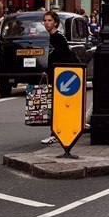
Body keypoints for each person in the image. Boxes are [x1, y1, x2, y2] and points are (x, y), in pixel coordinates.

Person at [41, 10, 79, 144]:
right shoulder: (51, 37)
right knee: (55, 105)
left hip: (60, 76)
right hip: (54, 74)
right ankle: (57, 133)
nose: (46, 23)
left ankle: (56, 134)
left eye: (49, 20)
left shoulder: (57, 37)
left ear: (56, 22)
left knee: (57, 105)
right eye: (45, 20)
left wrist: (54, 70)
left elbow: (63, 57)